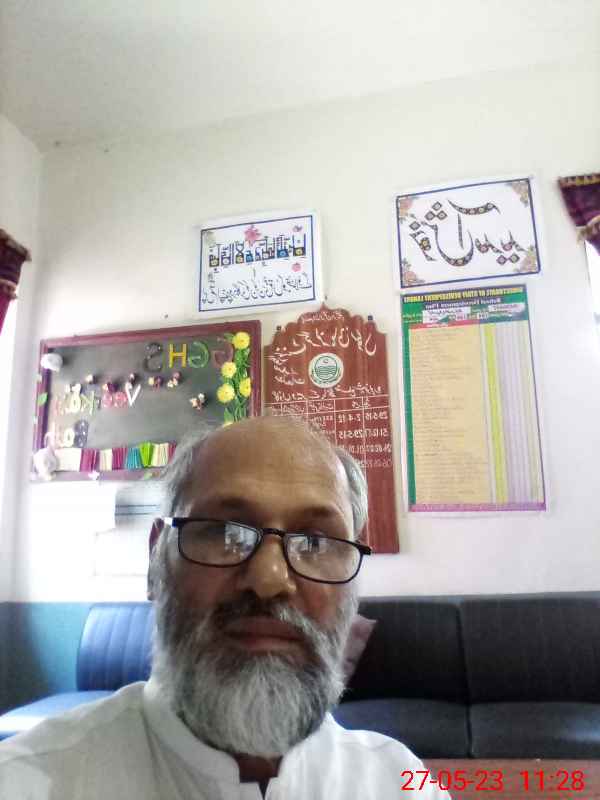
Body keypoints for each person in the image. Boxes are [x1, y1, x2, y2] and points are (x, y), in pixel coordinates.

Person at [0, 416, 447, 799]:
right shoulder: (28, 783)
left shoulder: (400, 784)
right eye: (223, 531)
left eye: (314, 542)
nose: (269, 579)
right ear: (156, 560)